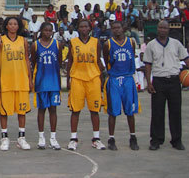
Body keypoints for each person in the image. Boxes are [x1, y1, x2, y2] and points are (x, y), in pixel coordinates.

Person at [144, 20, 189, 150]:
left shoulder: (176, 44)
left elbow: (186, 59)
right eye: (160, 28)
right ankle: (156, 140)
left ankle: (176, 140)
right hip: (158, 81)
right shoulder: (151, 45)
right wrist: (149, 82)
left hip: (174, 81)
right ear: (157, 29)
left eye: (165, 28)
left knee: (175, 112)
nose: (162, 30)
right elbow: (147, 64)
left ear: (168, 29)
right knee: (157, 112)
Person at [67, 19, 106, 150]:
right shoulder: (73, 42)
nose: (84, 28)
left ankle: (96, 138)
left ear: (90, 28)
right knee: (75, 110)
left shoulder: (96, 43)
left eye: (86, 26)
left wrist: (101, 78)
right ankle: (73, 139)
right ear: (78, 28)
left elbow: (99, 62)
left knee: (94, 110)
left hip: (93, 78)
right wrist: (68, 79)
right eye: (81, 26)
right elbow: (70, 62)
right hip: (77, 78)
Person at [0, 16, 32, 151]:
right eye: (10, 24)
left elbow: (27, 61)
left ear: (18, 26)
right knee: (4, 111)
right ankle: (4, 137)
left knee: (21, 110)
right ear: (6, 26)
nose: (12, 26)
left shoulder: (23, 41)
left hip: (21, 79)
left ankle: (21, 138)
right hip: (6, 80)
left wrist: (30, 78)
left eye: (15, 24)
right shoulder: (0, 41)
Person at [103, 21, 140, 151]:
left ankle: (133, 137)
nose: (116, 30)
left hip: (128, 78)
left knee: (130, 111)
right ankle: (111, 138)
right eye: (113, 28)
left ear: (123, 29)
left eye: (118, 27)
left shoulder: (131, 42)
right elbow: (107, 59)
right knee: (113, 111)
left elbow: (132, 57)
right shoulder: (108, 44)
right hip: (114, 79)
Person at [30, 22, 62, 150]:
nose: (48, 33)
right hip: (41, 81)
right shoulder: (35, 45)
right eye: (45, 30)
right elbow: (33, 62)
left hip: (54, 81)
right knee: (42, 109)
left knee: (53, 109)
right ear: (41, 31)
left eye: (50, 31)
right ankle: (41, 137)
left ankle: (53, 137)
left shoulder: (57, 44)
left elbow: (58, 62)